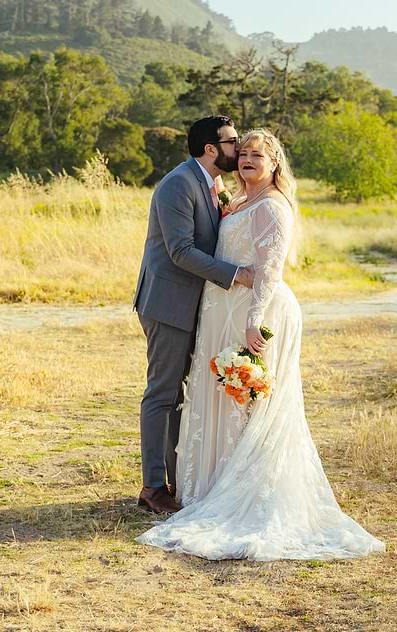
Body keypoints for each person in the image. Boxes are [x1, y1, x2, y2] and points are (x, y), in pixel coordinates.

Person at [137, 129, 384, 560]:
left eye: (256, 154)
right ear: (217, 149)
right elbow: (185, 250)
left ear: (274, 165)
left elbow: (267, 272)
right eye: (242, 150)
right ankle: (193, 485)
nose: (246, 158)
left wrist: (254, 323)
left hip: (251, 316)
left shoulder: (272, 206)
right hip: (218, 313)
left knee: (246, 404)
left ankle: (242, 490)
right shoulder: (231, 197)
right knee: (211, 397)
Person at [133, 116, 253, 515]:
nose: (239, 147)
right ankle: (153, 488)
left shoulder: (213, 183)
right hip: (168, 304)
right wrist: (237, 276)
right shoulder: (178, 185)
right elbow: (180, 251)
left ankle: (178, 480)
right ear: (211, 149)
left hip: (197, 305)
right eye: (233, 142)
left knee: (184, 397)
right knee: (162, 395)